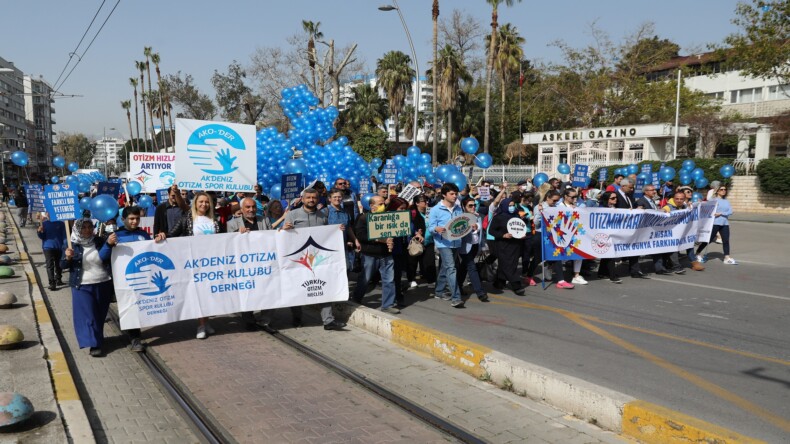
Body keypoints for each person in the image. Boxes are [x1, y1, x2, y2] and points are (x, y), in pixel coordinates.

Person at [100, 206, 165, 351]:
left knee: (136, 307)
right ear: (123, 220)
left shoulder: (144, 234)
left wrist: (160, 241)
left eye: (137, 219)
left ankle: (135, 337)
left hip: (140, 278)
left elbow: (151, 251)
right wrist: (108, 244)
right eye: (131, 219)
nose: (135, 221)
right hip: (120, 279)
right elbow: (102, 257)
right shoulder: (116, 235)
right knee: (123, 307)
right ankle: (102, 338)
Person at [283, 188, 346, 330]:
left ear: (318, 199)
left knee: (324, 287)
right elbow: (282, 236)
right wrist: (284, 229)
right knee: (297, 289)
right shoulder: (292, 215)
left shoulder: (323, 215)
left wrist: (336, 230)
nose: (311, 200)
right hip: (298, 260)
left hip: (318, 260)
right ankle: (297, 317)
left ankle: (328, 321)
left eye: (314, 198)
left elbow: (326, 235)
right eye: (308, 197)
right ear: (303, 199)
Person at [167, 192, 221, 339]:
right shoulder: (187, 219)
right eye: (201, 202)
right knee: (199, 293)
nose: (204, 204)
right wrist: (162, 236)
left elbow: (224, 239)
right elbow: (172, 234)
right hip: (194, 264)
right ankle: (201, 325)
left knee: (209, 293)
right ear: (195, 203)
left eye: (207, 202)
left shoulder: (214, 220)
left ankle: (206, 321)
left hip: (212, 262)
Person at [62, 218, 113, 357]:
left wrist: (109, 243)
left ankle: (98, 338)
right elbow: (63, 266)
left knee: (99, 315)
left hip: (104, 283)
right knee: (88, 316)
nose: (87, 230)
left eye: (89, 227)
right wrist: (67, 258)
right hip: (82, 286)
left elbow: (108, 256)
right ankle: (94, 344)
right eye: (83, 227)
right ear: (78, 229)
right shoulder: (70, 244)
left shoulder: (99, 241)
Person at [352, 195, 398, 313]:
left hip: (386, 254)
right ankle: (356, 299)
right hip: (370, 254)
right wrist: (379, 239)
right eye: (380, 204)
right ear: (372, 206)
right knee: (365, 279)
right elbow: (361, 235)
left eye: (384, 203)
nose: (383, 206)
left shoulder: (387, 217)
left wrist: (391, 240)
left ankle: (388, 305)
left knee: (389, 280)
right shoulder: (363, 218)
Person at [428, 183, 465, 308]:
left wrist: (471, 225)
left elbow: (462, 224)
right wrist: (436, 229)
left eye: (456, 194)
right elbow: (430, 227)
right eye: (452, 194)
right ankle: (456, 297)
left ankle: (439, 291)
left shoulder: (458, 208)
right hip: (443, 243)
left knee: (445, 267)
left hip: (456, 242)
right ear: (444, 195)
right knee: (451, 268)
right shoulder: (435, 210)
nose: (455, 196)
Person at [534, 190, 575, 289]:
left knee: (557, 256)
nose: (555, 202)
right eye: (554, 200)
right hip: (541, 234)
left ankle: (561, 280)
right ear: (547, 198)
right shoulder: (539, 206)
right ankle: (529, 274)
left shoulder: (556, 207)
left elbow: (564, 215)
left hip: (553, 235)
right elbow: (536, 223)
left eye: (557, 200)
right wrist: (540, 213)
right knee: (538, 258)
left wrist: (572, 210)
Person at [614, 179, 649, 279]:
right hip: (620, 227)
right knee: (615, 251)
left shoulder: (629, 195)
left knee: (634, 248)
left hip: (631, 227)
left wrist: (637, 208)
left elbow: (631, 207)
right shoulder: (615, 195)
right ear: (623, 186)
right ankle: (609, 271)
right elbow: (613, 211)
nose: (632, 189)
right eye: (630, 187)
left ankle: (635, 270)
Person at [662, 189, 704, 272]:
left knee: (689, 244)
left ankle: (694, 262)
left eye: (681, 199)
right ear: (673, 198)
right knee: (673, 248)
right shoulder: (668, 207)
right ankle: (676, 267)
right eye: (677, 198)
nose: (679, 200)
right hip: (671, 234)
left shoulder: (685, 207)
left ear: (684, 199)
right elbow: (661, 214)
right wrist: (663, 211)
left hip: (683, 232)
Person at [457, 197, 489, 301]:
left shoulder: (478, 216)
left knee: (464, 267)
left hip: (475, 245)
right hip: (465, 247)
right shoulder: (461, 217)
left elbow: (481, 234)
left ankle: (458, 286)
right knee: (471, 267)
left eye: (474, 205)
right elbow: (458, 233)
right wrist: (467, 226)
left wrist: (483, 246)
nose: (473, 207)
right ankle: (480, 292)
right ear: (464, 207)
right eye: (470, 205)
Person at [695, 184, 737, 265]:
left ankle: (727, 258)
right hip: (714, 223)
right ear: (717, 191)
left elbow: (730, 211)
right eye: (721, 189)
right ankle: (697, 253)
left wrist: (721, 213)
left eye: (725, 189)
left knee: (726, 240)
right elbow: (706, 207)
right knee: (708, 240)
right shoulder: (713, 200)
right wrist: (701, 203)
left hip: (724, 223)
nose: (724, 191)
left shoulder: (726, 201)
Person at [558, 188, 588, 285]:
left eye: (576, 197)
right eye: (572, 197)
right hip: (564, 235)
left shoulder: (577, 206)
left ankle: (576, 275)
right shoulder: (559, 206)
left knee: (579, 255)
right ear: (565, 196)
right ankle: (551, 268)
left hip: (576, 234)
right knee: (562, 256)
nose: (575, 199)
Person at [327, 188, 360, 271]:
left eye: (339, 197)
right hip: (329, 247)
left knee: (347, 267)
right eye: (334, 197)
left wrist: (355, 240)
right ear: (329, 199)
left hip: (343, 245)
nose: (337, 199)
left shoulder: (345, 212)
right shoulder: (325, 212)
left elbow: (348, 228)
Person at [596, 192, 623, 283]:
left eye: (616, 198)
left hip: (613, 234)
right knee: (611, 254)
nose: (615, 199)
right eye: (612, 198)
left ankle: (602, 273)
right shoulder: (601, 209)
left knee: (607, 255)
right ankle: (612, 275)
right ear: (606, 199)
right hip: (604, 234)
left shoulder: (615, 208)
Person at [408, 195, 434, 286]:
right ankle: (411, 279)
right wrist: (416, 232)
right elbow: (409, 226)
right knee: (413, 261)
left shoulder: (431, 212)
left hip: (429, 241)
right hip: (417, 241)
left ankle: (431, 279)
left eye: (427, 201)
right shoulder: (412, 213)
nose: (426, 203)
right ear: (417, 203)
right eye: (423, 201)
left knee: (430, 261)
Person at [37, 214, 66, 290]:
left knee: (59, 264)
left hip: (59, 247)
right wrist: (39, 232)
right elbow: (42, 237)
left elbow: (64, 236)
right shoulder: (44, 223)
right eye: (47, 213)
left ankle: (58, 279)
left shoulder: (61, 223)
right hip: (48, 247)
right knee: (50, 265)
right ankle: (52, 283)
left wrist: (66, 246)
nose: (48, 214)